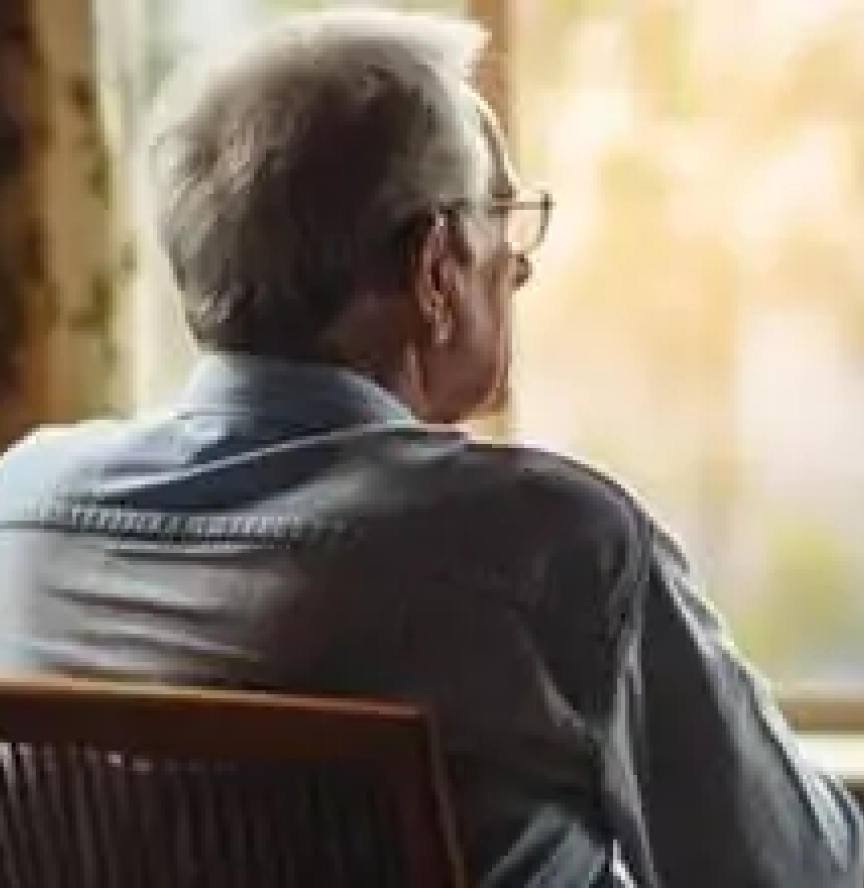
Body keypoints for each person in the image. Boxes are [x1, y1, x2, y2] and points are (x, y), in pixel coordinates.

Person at [0, 7, 860, 886]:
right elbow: (802, 873)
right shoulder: (548, 547)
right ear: (436, 269)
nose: (518, 266)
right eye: (503, 221)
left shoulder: (21, 512)